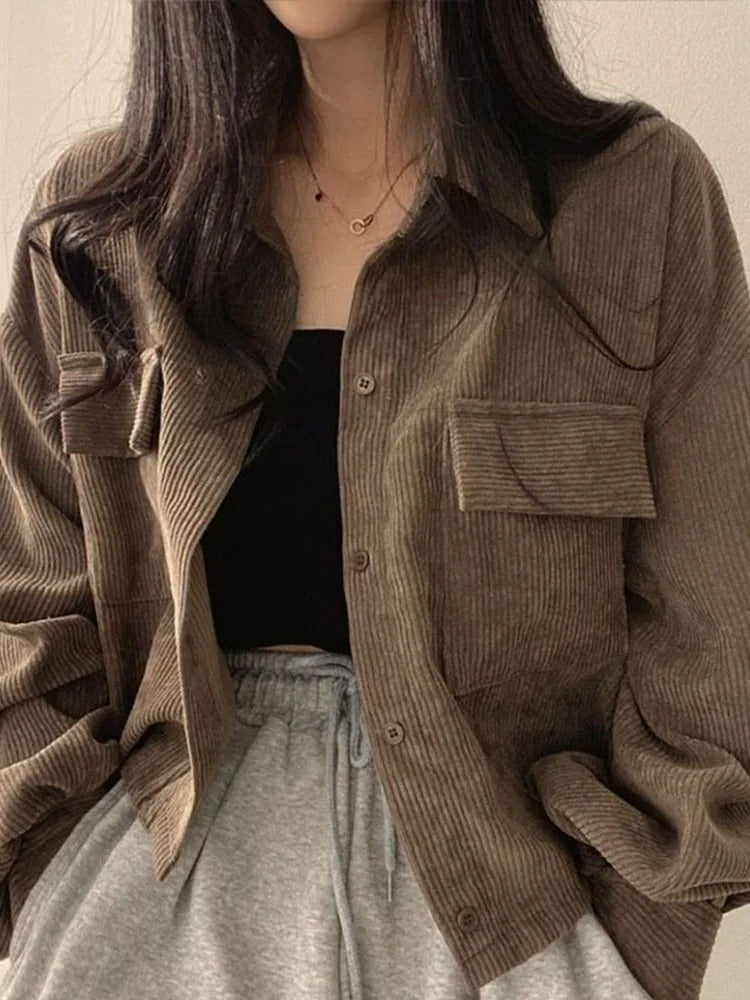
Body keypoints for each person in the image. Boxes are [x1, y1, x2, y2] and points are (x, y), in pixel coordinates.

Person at [1, 2, 749, 999]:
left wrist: (639, 939)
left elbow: (712, 629)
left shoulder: (634, 198)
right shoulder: (101, 226)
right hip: (154, 898)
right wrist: (52, 868)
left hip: (517, 913)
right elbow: (30, 609)